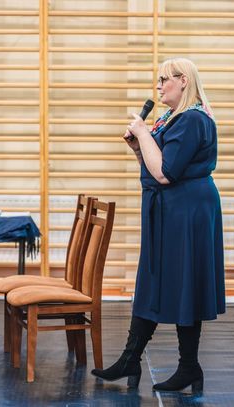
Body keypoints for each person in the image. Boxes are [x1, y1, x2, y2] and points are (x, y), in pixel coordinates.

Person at [91, 57, 225, 393]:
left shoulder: (192, 119)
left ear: (183, 80)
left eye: (164, 79)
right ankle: (131, 357)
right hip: (174, 209)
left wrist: (141, 131)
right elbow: (155, 166)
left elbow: (166, 172)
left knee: (184, 283)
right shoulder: (172, 118)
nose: (159, 86)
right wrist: (140, 148)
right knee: (154, 278)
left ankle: (188, 366)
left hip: (187, 211)